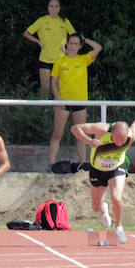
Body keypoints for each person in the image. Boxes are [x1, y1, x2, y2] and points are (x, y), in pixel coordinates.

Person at [70, 119, 135, 244]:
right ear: (112, 133)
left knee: (116, 198)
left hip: (116, 168)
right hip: (97, 169)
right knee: (96, 207)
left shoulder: (131, 135)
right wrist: (89, 141)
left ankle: (119, 227)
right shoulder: (102, 129)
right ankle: (104, 210)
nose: (119, 144)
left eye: (122, 141)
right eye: (116, 140)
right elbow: (75, 128)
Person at [48, 33, 102, 170]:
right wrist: (57, 97)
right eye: (70, 43)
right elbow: (53, 81)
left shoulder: (84, 59)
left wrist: (85, 39)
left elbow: (98, 48)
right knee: (57, 133)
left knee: (81, 134)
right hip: (63, 102)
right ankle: (51, 164)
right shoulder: (60, 61)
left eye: (76, 44)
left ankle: (83, 164)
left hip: (80, 101)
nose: (72, 46)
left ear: (80, 46)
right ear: (67, 44)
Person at [23, 0, 76, 99]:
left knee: (58, 89)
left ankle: (57, 112)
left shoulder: (64, 21)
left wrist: (68, 48)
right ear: (47, 7)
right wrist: (38, 42)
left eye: (56, 6)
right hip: (45, 58)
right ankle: (44, 112)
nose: (54, 8)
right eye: (51, 6)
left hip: (60, 59)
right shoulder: (42, 21)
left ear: (60, 8)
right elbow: (26, 33)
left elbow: (75, 37)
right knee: (45, 89)